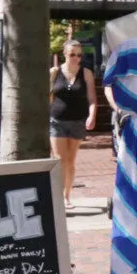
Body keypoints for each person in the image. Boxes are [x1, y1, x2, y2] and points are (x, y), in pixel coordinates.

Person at [50, 40, 97, 208]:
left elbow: (92, 98)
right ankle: (59, 196)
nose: (76, 58)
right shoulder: (54, 72)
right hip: (57, 120)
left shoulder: (86, 73)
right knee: (59, 160)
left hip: (77, 121)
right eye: (72, 54)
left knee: (70, 161)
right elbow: (47, 96)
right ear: (64, 54)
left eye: (79, 55)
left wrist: (92, 115)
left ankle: (67, 195)